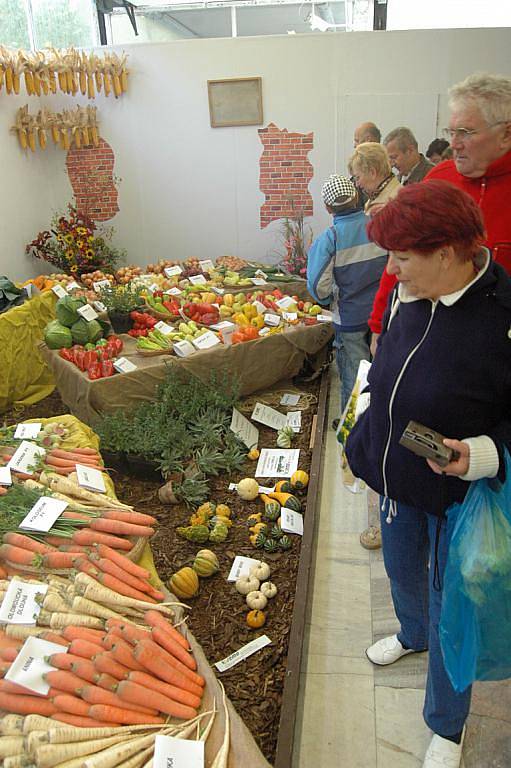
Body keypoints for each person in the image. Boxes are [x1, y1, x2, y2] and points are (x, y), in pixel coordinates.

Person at [345, 180, 511, 768]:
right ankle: (410, 632)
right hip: (396, 482)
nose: (391, 270)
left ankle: (447, 722)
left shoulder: (502, 318)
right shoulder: (409, 294)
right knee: (401, 573)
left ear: (447, 252)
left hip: (456, 499)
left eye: (401, 257)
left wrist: (484, 454)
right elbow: (385, 370)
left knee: (452, 609)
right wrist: (362, 439)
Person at [368, 72, 511, 353]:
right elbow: (399, 257)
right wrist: (378, 327)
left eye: (466, 133)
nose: (454, 144)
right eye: (452, 131)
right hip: (424, 338)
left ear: (506, 134)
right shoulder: (440, 177)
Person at [307, 174, 386, 410]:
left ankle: (351, 431)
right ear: (356, 197)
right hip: (381, 317)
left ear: (328, 207)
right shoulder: (378, 225)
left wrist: (329, 299)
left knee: (354, 376)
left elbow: (318, 285)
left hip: (350, 319)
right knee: (380, 370)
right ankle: (375, 421)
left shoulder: (331, 238)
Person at [349, 142, 401, 216]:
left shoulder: (394, 203)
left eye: (358, 178)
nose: (357, 184)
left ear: (372, 172)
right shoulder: (376, 196)